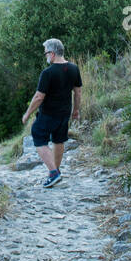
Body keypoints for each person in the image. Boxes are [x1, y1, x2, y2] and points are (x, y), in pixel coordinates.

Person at [21, 37, 82, 188]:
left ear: (53, 53)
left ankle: (54, 172)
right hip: (65, 113)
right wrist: (76, 111)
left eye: (46, 53)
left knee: (38, 136)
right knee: (58, 140)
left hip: (49, 113)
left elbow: (39, 96)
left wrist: (27, 113)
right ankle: (56, 171)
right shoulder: (74, 68)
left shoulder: (48, 73)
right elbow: (78, 92)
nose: (46, 56)